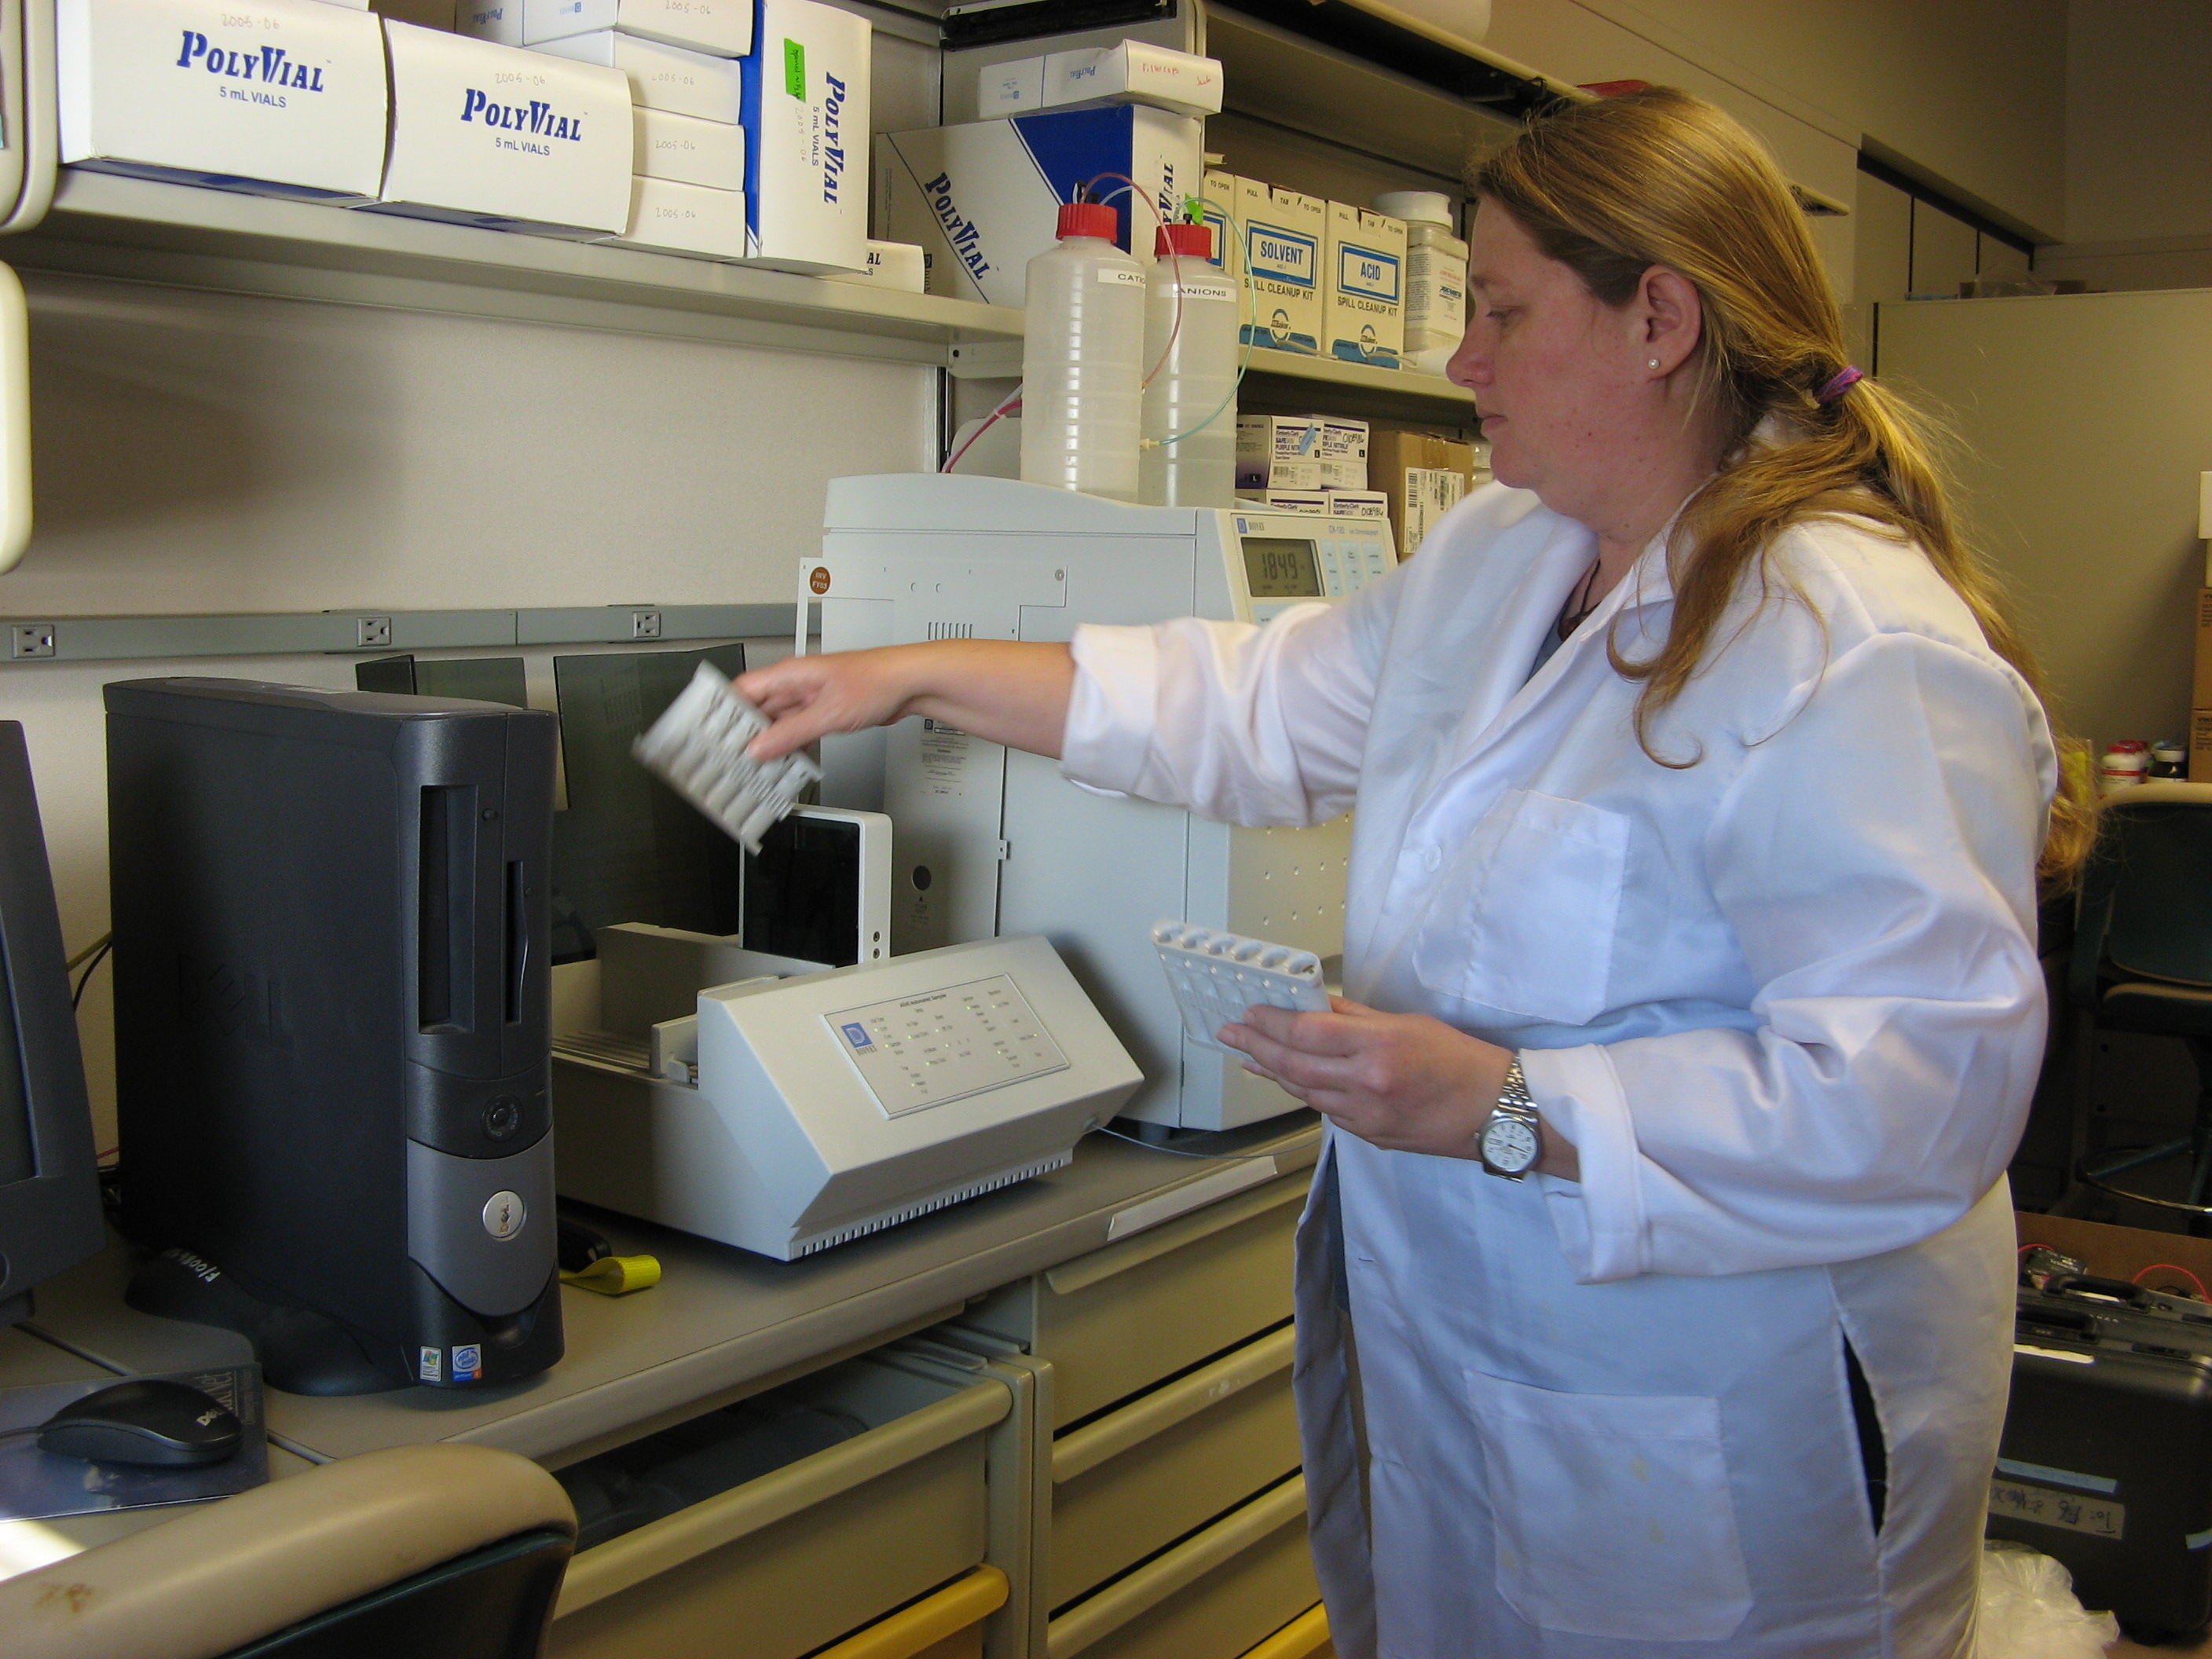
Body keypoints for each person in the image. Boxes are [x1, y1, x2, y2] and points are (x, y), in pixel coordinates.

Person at [736, 86, 2091, 1659]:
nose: (1462, 361)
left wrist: (1512, 1104)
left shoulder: (1847, 644)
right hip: (1486, 1366)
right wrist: (908, 673)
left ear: (1658, 318)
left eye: (1501, 312)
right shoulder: (1507, 555)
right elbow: (1251, 708)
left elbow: (1917, 1095)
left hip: (1728, 1401)